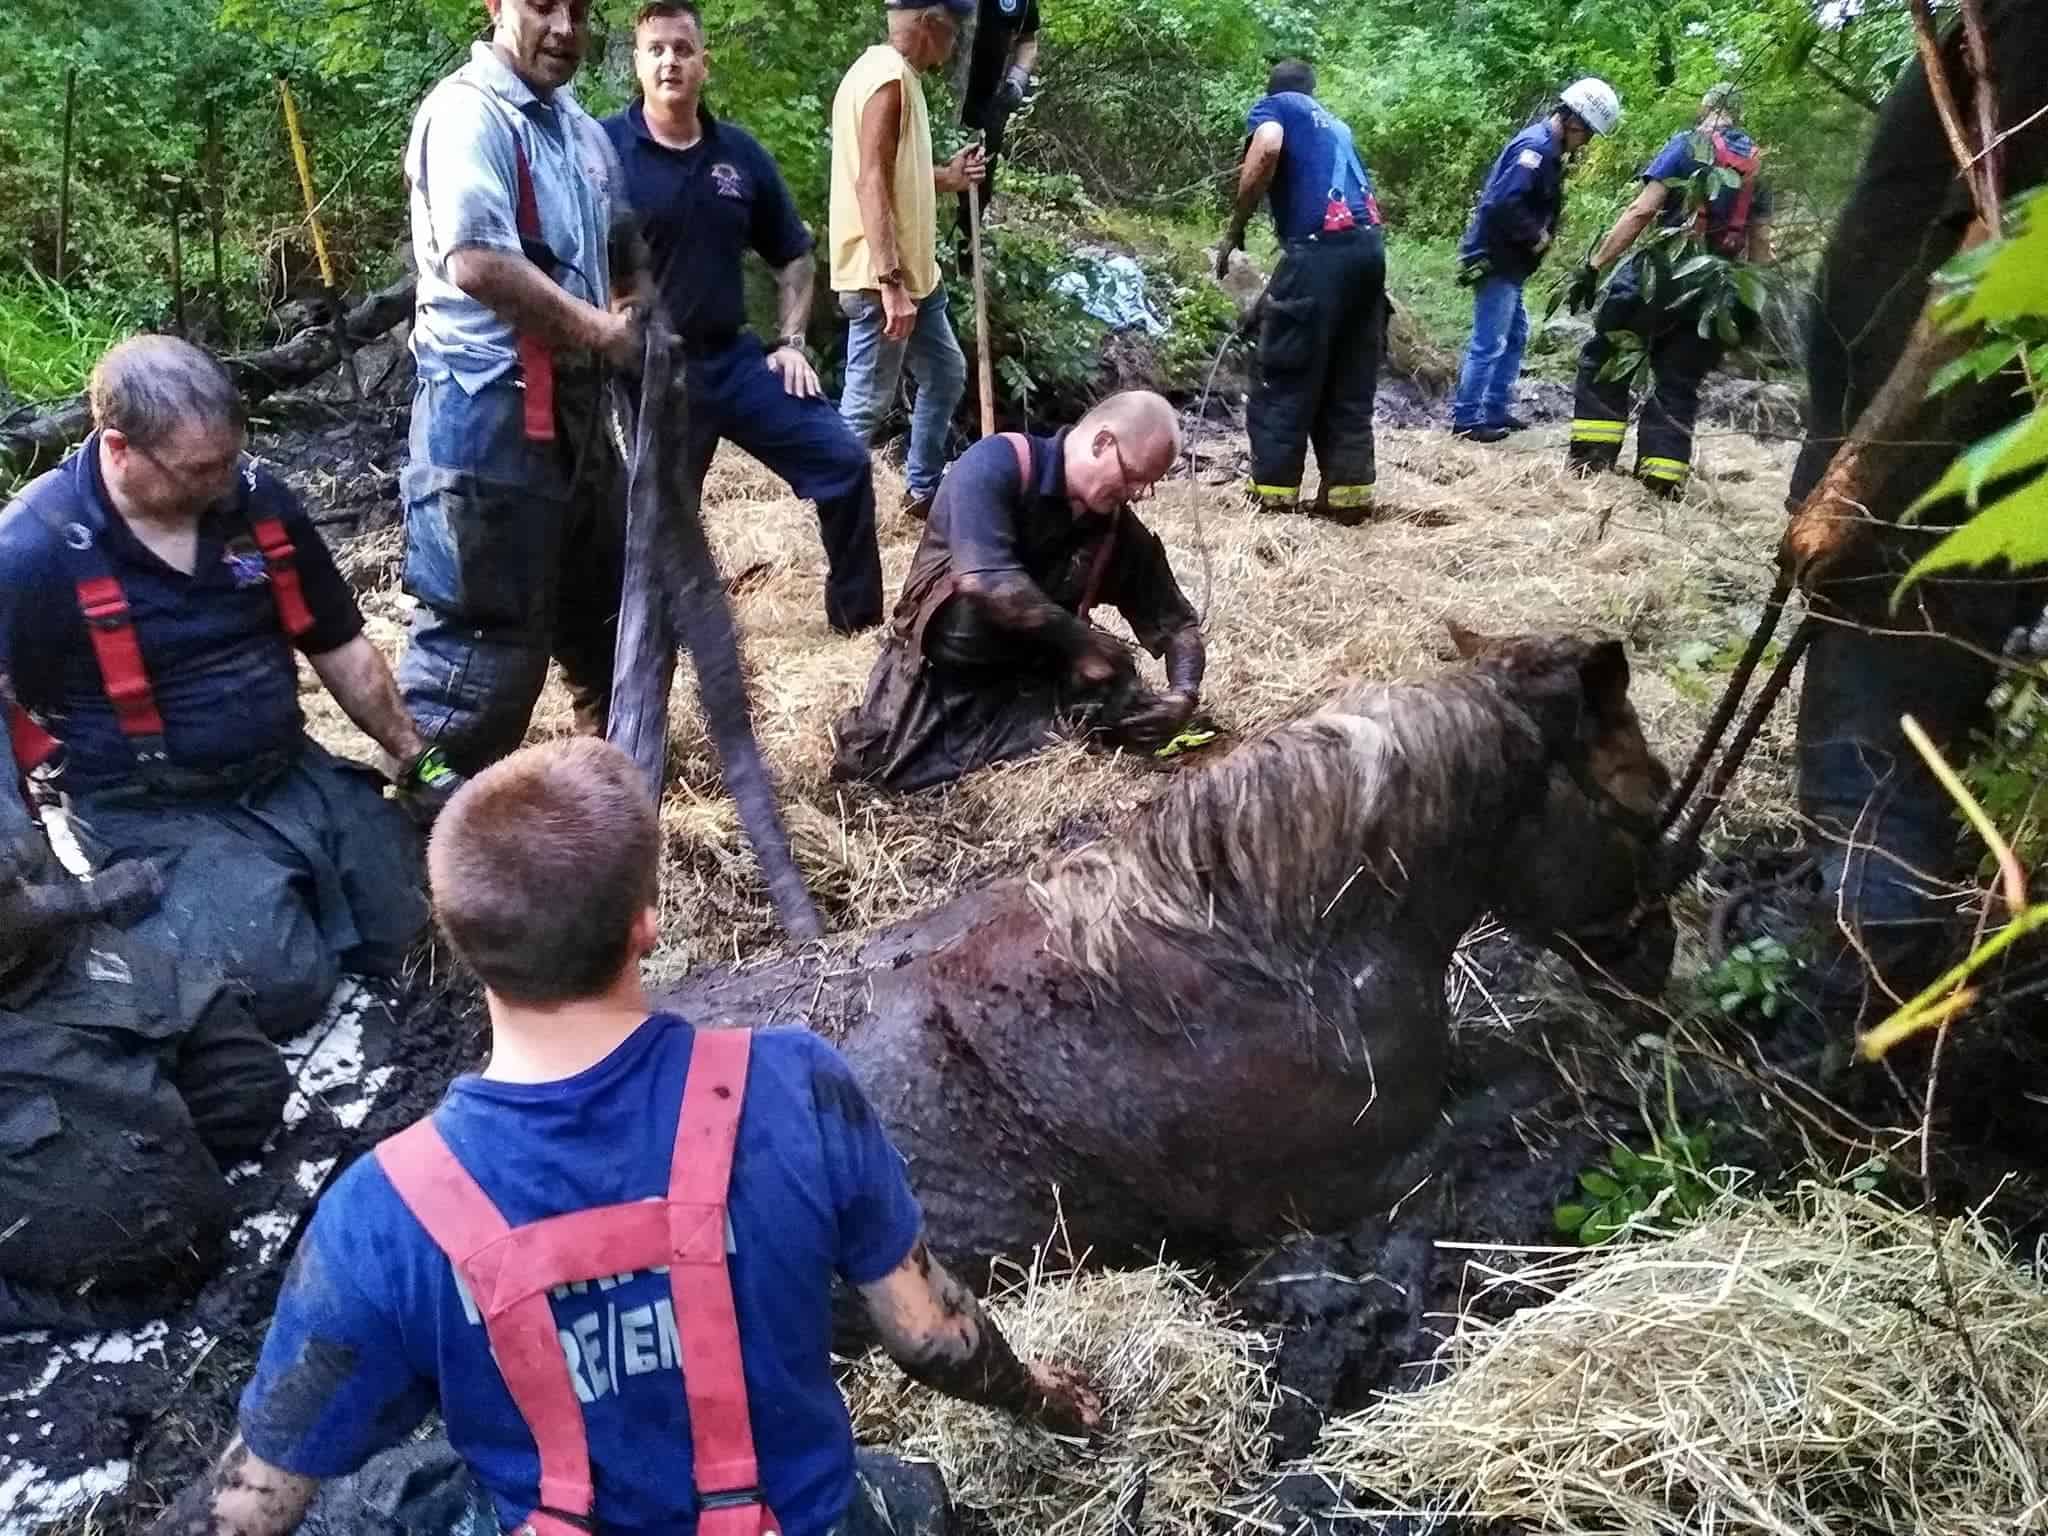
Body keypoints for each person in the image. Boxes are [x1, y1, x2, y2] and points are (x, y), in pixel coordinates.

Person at [154, 737, 1103, 1536]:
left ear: (457, 942)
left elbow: (257, 1501)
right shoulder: (795, 1083)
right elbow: (931, 1336)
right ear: (647, 923)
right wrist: (1039, 1397)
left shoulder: (379, 1213)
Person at [0, 337, 435, 1041]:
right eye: (200, 469)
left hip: (287, 772)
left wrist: (421, 757)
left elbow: (339, 643)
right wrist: (28, 877)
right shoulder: (32, 549)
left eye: (231, 458)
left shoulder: (255, 501)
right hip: (150, 808)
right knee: (277, 988)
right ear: (118, 448)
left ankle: (279, 883)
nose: (224, 482)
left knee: (418, 920)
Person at [1778, 5, 2048, 1012]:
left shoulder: (2009, 57)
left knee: (1878, 711)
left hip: (1922, 483)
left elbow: (1980, 249)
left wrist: (1855, 482)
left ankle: (1875, 981)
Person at [397, 0, 644, 773]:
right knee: (478, 671)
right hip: (485, 416)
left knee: (610, 631)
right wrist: (604, 333)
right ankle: (424, 852)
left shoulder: (581, 132)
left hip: (578, 419)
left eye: (580, 9)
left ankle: (597, 825)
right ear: (497, 6)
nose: (565, 28)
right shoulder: (467, 116)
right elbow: (478, 262)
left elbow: (624, 247)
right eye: (544, 5)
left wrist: (632, 303)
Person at [0, 704, 285, 1334]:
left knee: (247, 1085)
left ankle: (102, 1142)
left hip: (51, 958)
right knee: (159, 1247)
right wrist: (90, 897)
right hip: (30, 941)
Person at [605, 0, 883, 635]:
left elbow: (794, 257)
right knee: (653, 530)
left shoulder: (740, 156)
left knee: (844, 461)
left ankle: (858, 631)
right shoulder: (604, 149)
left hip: (736, 362)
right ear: (639, 64)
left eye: (683, 48)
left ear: (705, 62)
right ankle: (642, 658)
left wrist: (790, 342)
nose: (670, 60)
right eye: (657, 50)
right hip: (651, 373)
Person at [833, 390, 1204, 791]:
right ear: (1102, 442)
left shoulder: (1116, 529)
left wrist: (1183, 695)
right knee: (875, 767)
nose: (1137, 494)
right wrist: (1082, 643)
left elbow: (1180, 626)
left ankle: (1038, 726)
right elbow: (986, 582)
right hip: (942, 677)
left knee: (1125, 689)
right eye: (1133, 476)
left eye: (1148, 485)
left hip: (1036, 680)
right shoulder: (996, 464)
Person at [1563, 83, 1774, 497]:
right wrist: (1750, 304)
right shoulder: (1757, 169)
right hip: (1715, 291)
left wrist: (1595, 265)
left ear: (1706, 108)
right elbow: (1762, 246)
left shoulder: (1687, 145)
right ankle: (1660, 481)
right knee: (1678, 381)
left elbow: (1642, 210)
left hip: (1660, 278)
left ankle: (1592, 462)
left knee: (1607, 355)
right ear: (1739, 116)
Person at [832, 0, 987, 523]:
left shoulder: (894, 75)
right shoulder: (887, 81)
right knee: (865, 405)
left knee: (944, 373)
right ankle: (833, 509)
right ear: (932, 24)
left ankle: (921, 492)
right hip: (884, 279)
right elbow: (870, 181)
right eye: (954, 32)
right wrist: (891, 282)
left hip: (918, 278)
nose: (955, 45)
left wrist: (950, 176)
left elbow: (900, 175)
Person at [1216, 59, 1387, 523]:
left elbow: (1267, 147)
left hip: (1318, 251)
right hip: (1369, 254)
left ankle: (1273, 501)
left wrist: (1235, 228)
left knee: (1284, 372)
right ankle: (1348, 498)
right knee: (1348, 376)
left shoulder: (1276, 108)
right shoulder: (1336, 126)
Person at [1450, 78, 1621, 443]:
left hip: (1511, 264)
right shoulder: (1536, 149)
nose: (1586, 143)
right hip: (1497, 259)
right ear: (1574, 121)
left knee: (1515, 336)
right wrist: (1537, 235)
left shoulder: (1549, 150)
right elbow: (1502, 203)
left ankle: (1494, 408)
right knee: (1489, 342)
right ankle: (1466, 418)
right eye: (1588, 134)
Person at [954, 0, 1040, 246]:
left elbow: (1028, 38)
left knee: (977, 186)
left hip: (989, 105)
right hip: (940, 99)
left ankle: (965, 256)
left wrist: (1017, 79)